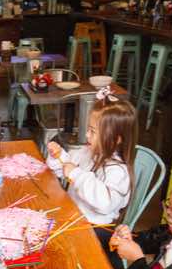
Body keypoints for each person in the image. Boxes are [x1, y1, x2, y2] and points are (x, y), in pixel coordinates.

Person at [46, 86, 137, 224]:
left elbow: (104, 204)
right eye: (88, 129)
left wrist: (76, 175)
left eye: (93, 131)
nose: (87, 135)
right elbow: (65, 169)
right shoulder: (86, 152)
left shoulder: (118, 171)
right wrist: (57, 156)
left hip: (95, 227)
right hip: (73, 216)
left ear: (116, 139)